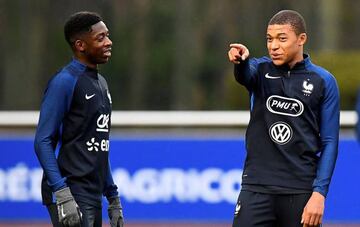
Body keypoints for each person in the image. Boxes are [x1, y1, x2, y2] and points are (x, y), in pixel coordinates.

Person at [228, 10, 339, 227]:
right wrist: (240, 61)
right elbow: (244, 74)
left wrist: (319, 194)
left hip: (300, 191)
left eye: (282, 38)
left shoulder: (324, 81)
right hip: (256, 188)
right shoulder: (259, 70)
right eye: (269, 39)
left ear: (301, 39)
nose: (273, 46)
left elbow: (330, 142)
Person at [34, 11, 124, 227]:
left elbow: (99, 145)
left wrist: (112, 196)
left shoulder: (101, 83)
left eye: (108, 36)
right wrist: (62, 191)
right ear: (80, 45)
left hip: (93, 193)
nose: (109, 42)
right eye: (100, 38)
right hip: (71, 192)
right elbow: (43, 141)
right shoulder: (64, 82)